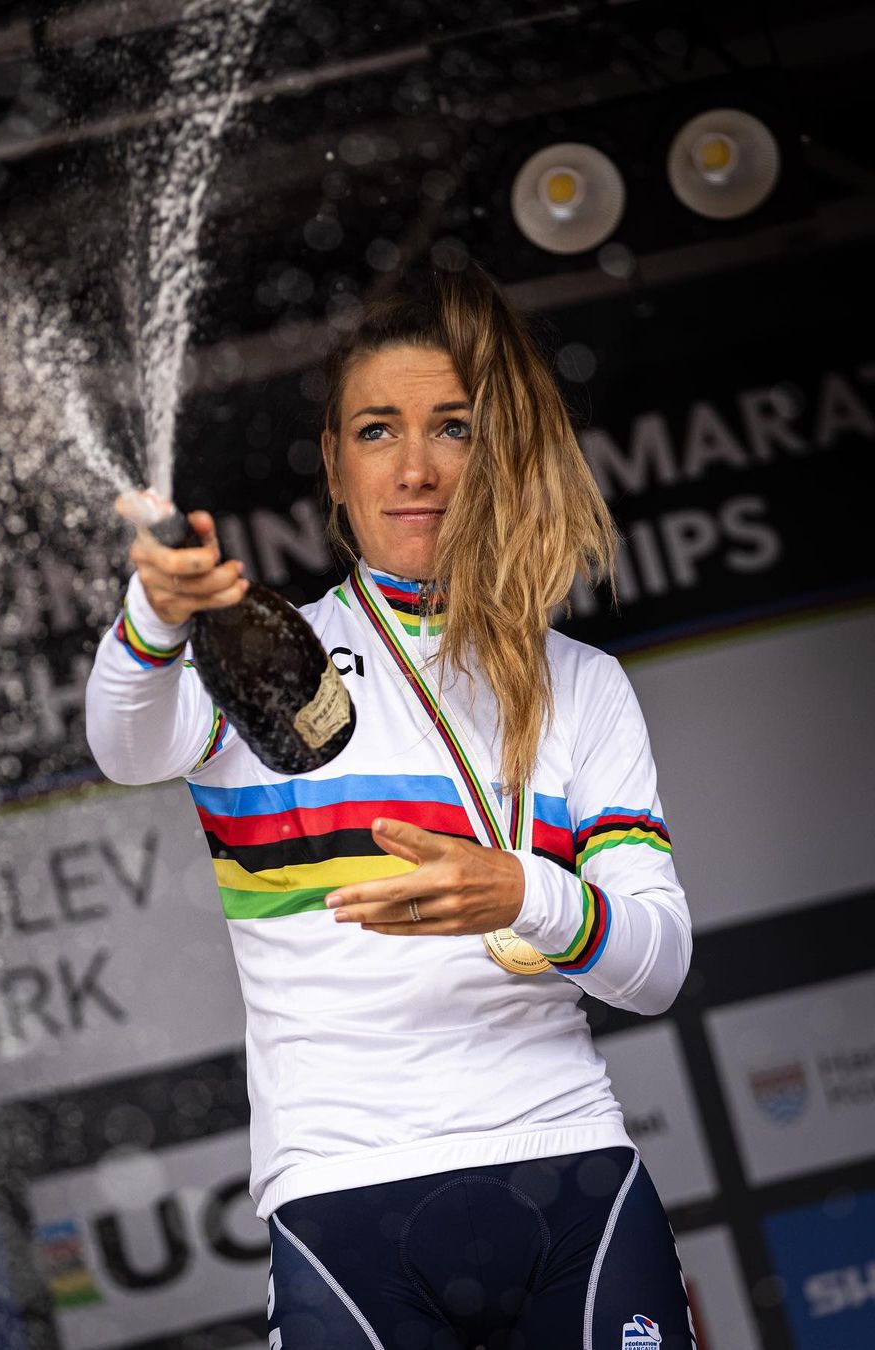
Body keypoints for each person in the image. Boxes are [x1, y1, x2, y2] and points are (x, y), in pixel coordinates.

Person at [85, 262, 697, 1349]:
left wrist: (525, 894)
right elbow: (126, 747)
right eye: (378, 431)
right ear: (334, 463)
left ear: (496, 452)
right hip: (344, 1200)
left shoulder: (583, 684)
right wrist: (154, 615)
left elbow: (657, 968)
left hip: (572, 1174)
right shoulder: (273, 663)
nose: (416, 468)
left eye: (452, 428)